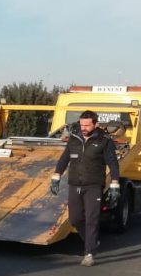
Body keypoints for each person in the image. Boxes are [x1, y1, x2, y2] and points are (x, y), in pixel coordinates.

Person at [50, 110, 121, 267]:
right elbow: (64, 159)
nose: (83, 128)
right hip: (74, 183)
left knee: (92, 218)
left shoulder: (104, 141)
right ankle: (92, 240)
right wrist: (56, 176)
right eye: (82, 124)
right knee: (75, 219)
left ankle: (89, 252)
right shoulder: (74, 139)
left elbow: (113, 163)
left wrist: (115, 183)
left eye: (87, 125)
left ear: (95, 125)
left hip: (94, 185)